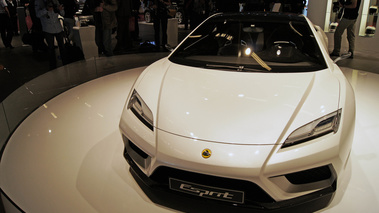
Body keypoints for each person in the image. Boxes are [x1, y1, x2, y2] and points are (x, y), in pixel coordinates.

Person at [35, 0, 67, 70]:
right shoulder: (39, 2)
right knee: (51, 48)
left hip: (58, 27)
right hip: (48, 28)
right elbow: (38, 14)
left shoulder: (55, 1)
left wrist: (60, 10)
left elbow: (62, 13)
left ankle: (65, 63)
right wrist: (46, 9)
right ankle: (53, 67)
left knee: (62, 46)